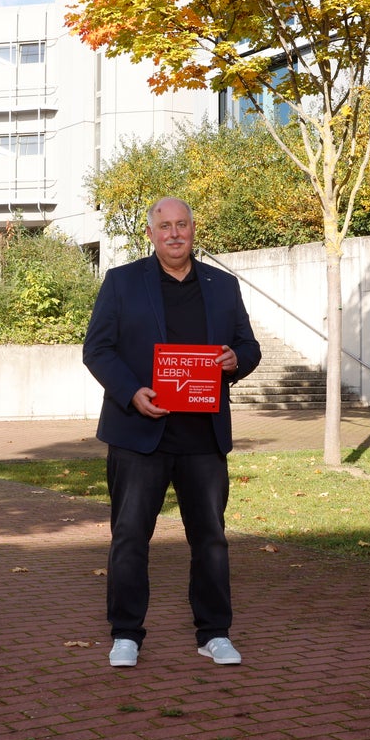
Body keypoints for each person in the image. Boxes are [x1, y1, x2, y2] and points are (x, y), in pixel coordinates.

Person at [82, 197, 261, 669]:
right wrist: (131, 392)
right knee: (129, 537)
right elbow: (97, 349)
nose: (174, 234)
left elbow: (248, 346)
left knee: (210, 539)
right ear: (151, 233)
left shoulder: (223, 285)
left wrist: (236, 360)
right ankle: (126, 634)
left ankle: (214, 632)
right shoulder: (121, 282)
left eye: (182, 225)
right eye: (165, 226)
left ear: (193, 229)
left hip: (203, 436)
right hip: (139, 433)